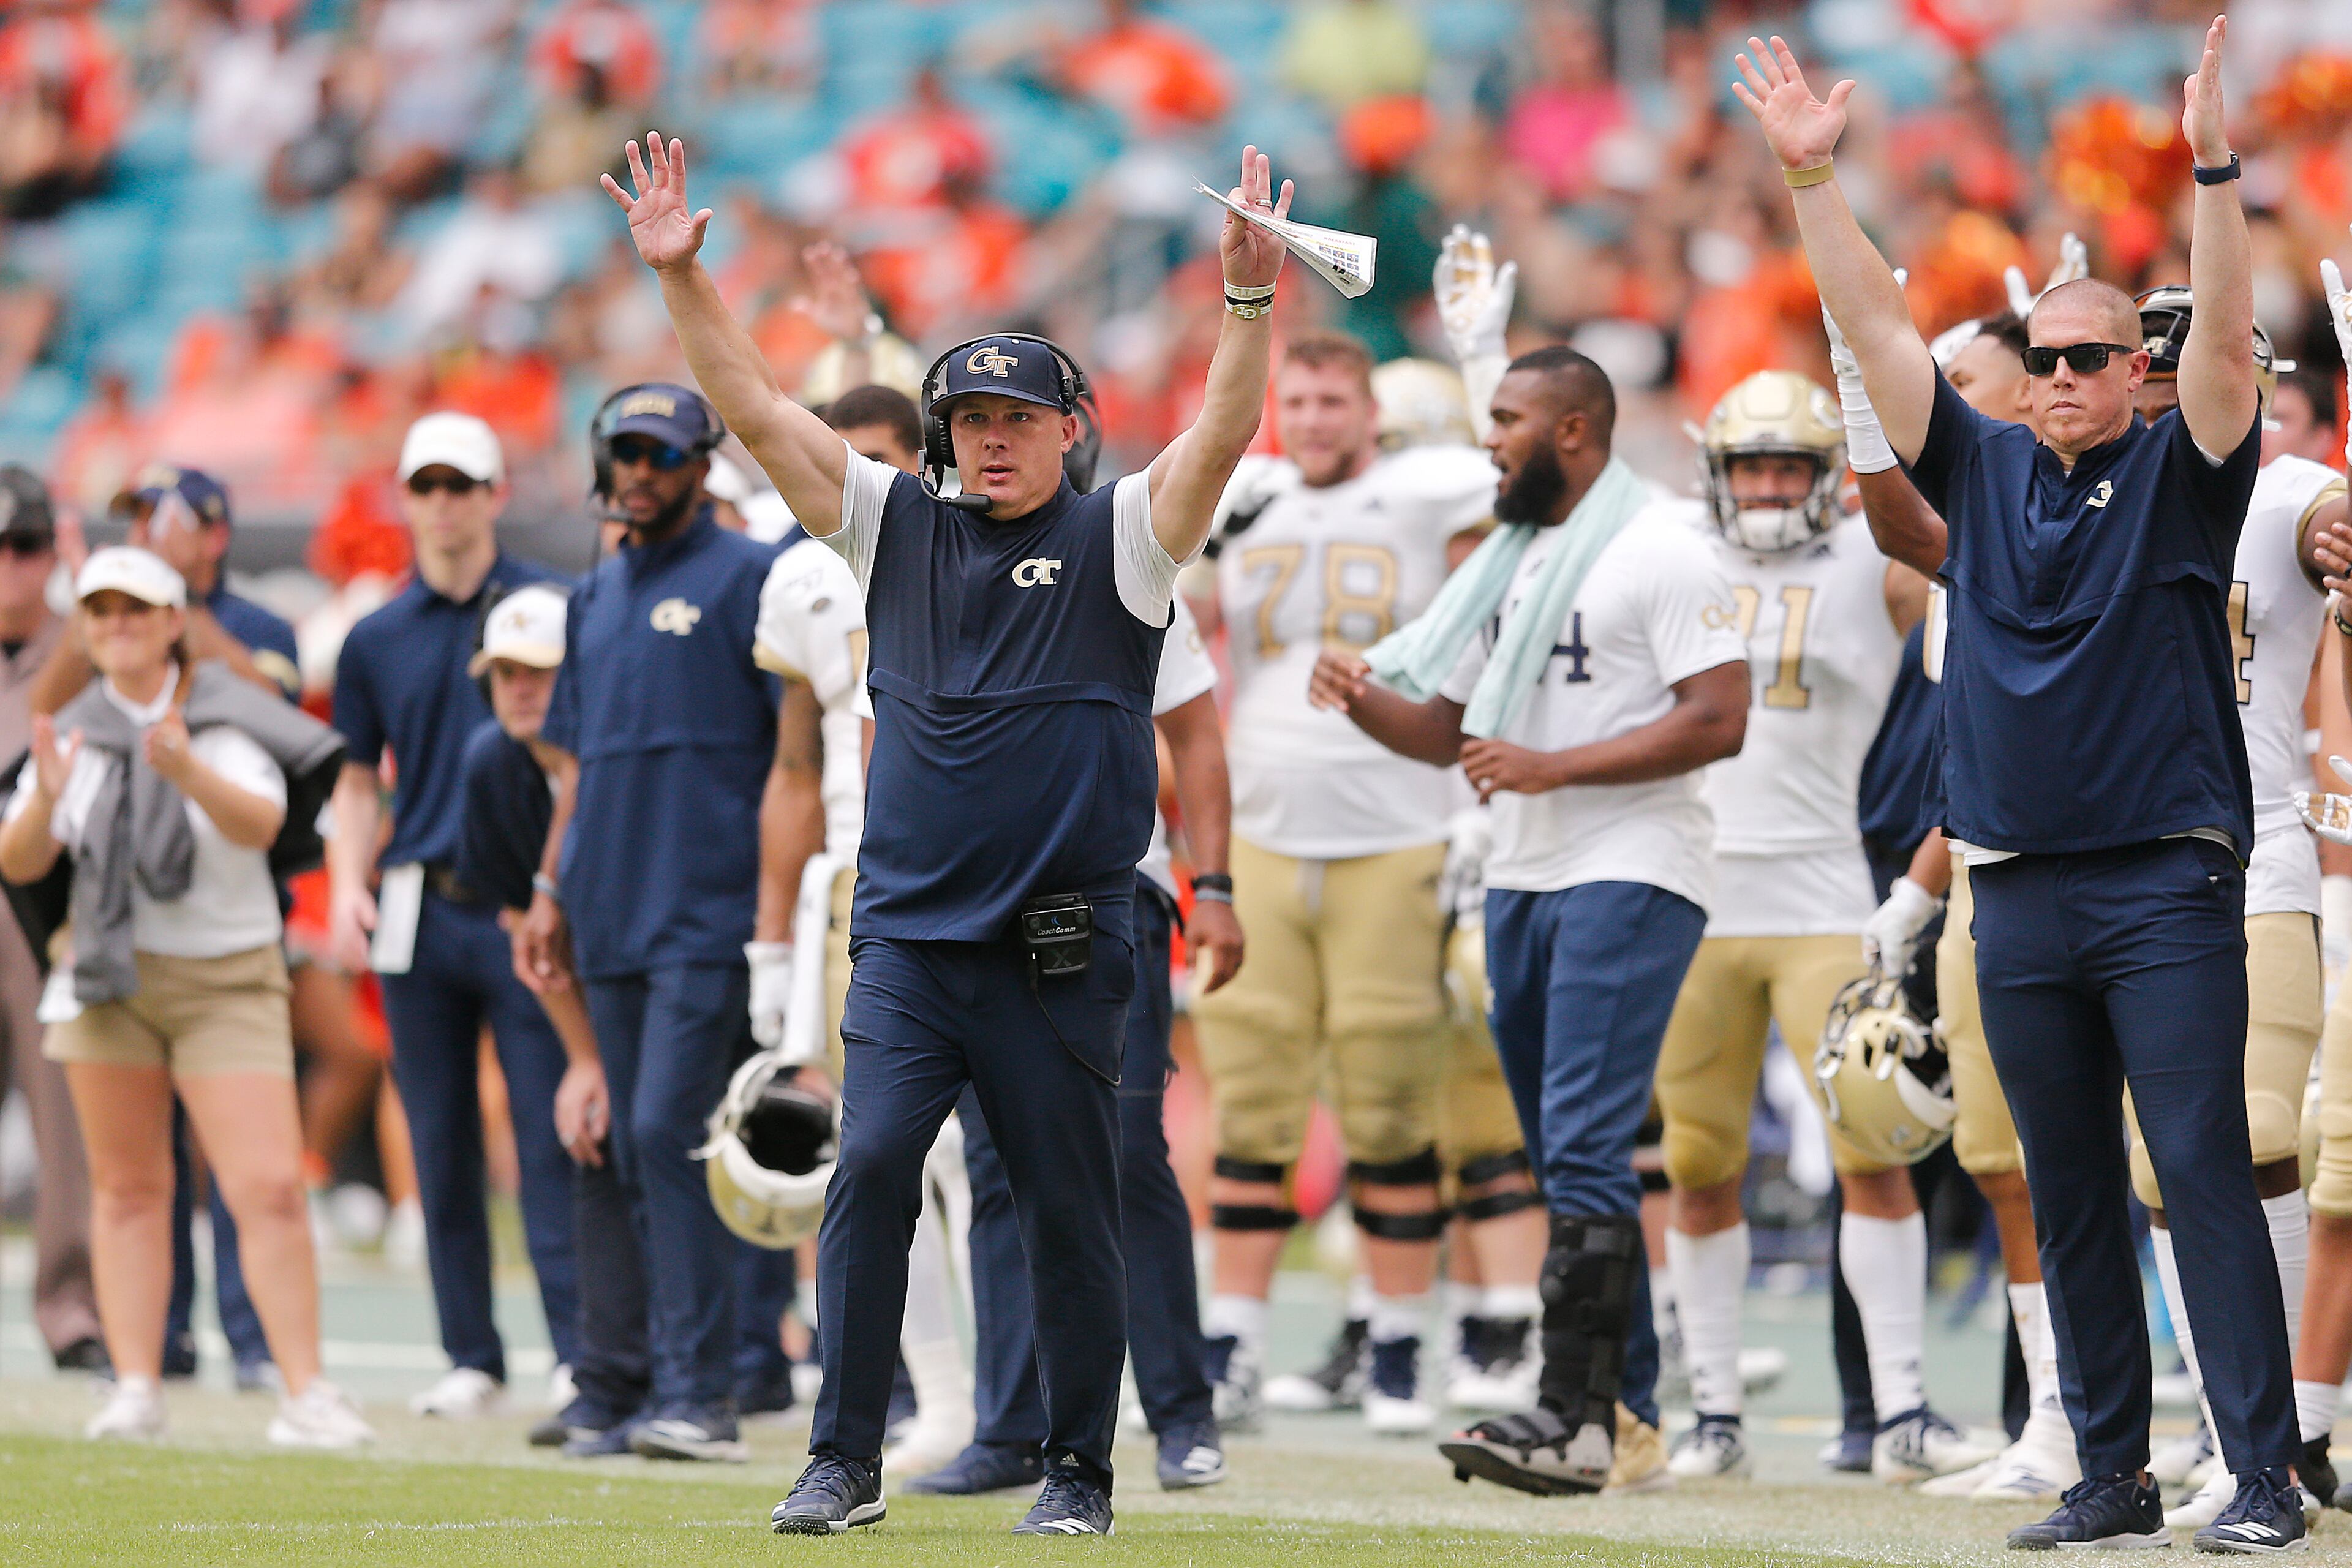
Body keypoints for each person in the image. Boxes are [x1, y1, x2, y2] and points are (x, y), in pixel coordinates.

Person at [602, 132, 1285, 1536]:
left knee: (1064, 1204)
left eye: (1017, 417)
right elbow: (755, 406)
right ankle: (844, 1458)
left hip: (1059, 937)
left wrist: (1247, 306)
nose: (991, 435)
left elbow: (1220, 434)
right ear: (940, 431)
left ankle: (1080, 1472)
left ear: (1067, 428)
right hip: (909, 932)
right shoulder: (887, 523)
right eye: (970, 417)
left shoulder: (1123, 538)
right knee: (867, 1176)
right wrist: (685, 279)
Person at [1736, 20, 2306, 1548]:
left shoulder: (2193, 459)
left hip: (2164, 876)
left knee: (2196, 1171)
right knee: (2066, 1197)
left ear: (2140, 366)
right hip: (2015, 876)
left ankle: (2260, 1475)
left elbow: (2235, 340)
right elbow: (1872, 329)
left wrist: (2208, 167)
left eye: (2085, 358)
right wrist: (1811, 181)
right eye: (2039, 358)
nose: (2055, 379)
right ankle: (2110, 1471)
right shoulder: (1981, 467)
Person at [1310, 343, 1749, 1494]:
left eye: (1505, 418)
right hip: (1525, 871)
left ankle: (1574, 1411)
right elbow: (1452, 730)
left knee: (1588, 1142)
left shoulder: (1661, 542)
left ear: (1573, 430)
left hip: (1633, 858)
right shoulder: (1511, 557)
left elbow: (1719, 717)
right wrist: (1364, 703)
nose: (1487, 438)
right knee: (1569, 1152)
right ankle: (1629, 1419)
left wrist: (1556, 769)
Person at [1649, 370, 1976, 1487]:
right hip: (1696, 896)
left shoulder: (1865, 558)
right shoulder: (1671, 545)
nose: (1776, 487)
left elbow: (1958, 553)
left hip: (1827, 899)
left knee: (1872, 1152)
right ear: (1718, 473)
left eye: (1795, 465)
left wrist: (1879, 384)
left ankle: (1903, 1411)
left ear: (1829, 472)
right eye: (1755, 467)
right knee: (1699, 1165)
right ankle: (1717, 1411)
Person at [1187, 328, 1494, 1437]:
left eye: (1332, 403)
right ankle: (1230, 1344)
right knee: (1255, 1101)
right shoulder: (1252, 495)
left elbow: (1520, 504)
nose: (1313, 421)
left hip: (1393, 831)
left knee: (1389, 1099)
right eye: (1298, 403)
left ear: (1372, 414)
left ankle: (1401, 1343)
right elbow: (1166, 608)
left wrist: (1487, 354)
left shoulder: (1423, 493)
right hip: (1265, 835)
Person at [0, 546, 368, 1450]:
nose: (117, 625)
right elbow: (19, 862)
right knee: (127, 1189)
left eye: (135, 609)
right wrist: (45, 800)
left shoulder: (225, 714)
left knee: (267, 1183)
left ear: (173, 621)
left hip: (224, 973)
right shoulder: (69, 727)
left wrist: (185, 769)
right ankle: (136, 1383)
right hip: (108, 979)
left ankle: (304, 1388)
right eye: (100, 612)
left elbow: (266, 823)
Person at [517, 381, 821, 1463]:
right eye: (625, 452)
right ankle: (619, 1385)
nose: (640, 471)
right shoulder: (591, 597)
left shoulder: (752, 578)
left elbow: (797, 758)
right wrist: (553, 892)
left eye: (662, 453)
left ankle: (709, 1393)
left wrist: (775, 918)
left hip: (707, 915)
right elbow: (574, 770)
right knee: (608, 1146)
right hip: (607, 912)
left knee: (669, 1133)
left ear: (702, 466)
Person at [914, 592, 1242, 1498]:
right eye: (978, 434)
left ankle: (1181, 1412)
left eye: (1014, 433)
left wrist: (1212, 882)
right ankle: (1013, 1428)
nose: (994, 447)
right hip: (974, 902)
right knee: (993, 1166)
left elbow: (1196, 734)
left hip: (1103, 898)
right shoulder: (932, 576)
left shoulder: (1125, 572)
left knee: (1129, 1150)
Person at [1835, 307, 2080, 1504]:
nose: (1929, 397)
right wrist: (1922, 885)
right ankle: (2059, 1421)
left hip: (2087, 870)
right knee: (2000, 1160)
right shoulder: (1964, 529)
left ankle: (2249, 1425)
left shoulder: (2047, 513)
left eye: (1958, 380)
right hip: (1982, 862)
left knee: (2131, 1159)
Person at [2120, 288, 2345, 1532]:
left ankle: (2295, 1427)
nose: (2163, 374)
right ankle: (2231, 1429)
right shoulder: (2093, 484)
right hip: (2125, 872)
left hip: (2256, 863)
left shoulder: (2290, 483)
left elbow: (2328, 515)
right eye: (2147, 355)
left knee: (2255, 1136)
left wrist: (2340, 540)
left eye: (2184, 353)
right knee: (2162, 1164)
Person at [328, 412, 579, 1420]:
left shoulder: (548, 610)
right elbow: (355, 778)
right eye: (425, 487)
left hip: (524, 903)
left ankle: (577, 1349)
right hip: (417, 904)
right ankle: (471, 1354)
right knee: (437, 1140)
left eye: (459, 486)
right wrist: (348, 879)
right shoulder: (375, 635)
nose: (442, 504)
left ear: (494, 495)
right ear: (406, 498)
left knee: (551, 1130)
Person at [454, 581, 647, 1459]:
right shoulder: (490, 764)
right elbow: (519, 933)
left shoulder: (616, 756)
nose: (524, 689)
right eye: (507, 674)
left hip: (657, 954)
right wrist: (584, 1060)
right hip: (578, 981)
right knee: (588, 1143)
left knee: (680, 1146)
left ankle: (747, 1364)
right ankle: (602, 1371)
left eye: (541, 672)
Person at [0, 464, 102, 1377]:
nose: (8, 568)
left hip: (42, 911)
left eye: (24, 547)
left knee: (66, 1115)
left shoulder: (84, 645)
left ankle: (73, 1309)